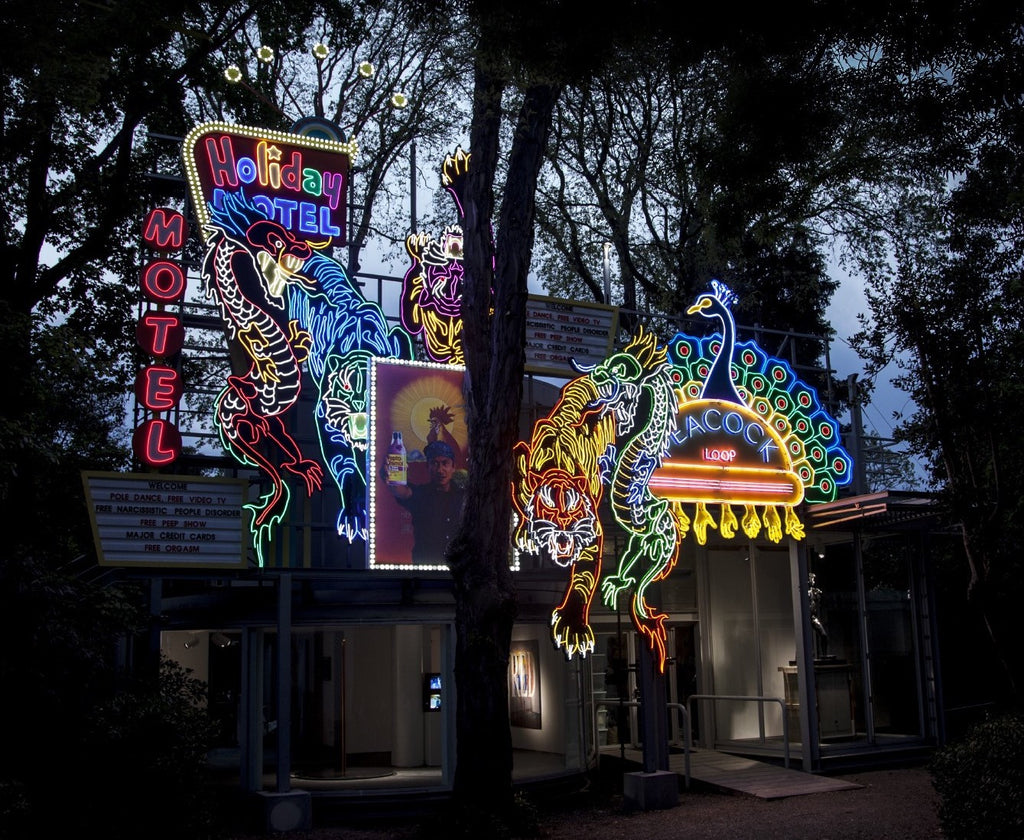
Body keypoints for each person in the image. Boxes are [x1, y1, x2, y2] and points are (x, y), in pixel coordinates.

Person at [382, 440, 466, 564]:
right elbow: (401, 491)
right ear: (428, 466)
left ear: (453, 467)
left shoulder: (464, 497)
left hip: (458, 570)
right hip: (426, 571)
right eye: (435, 463)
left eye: (445, 463)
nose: (440, 470)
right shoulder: (420, 494)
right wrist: (390, 473)